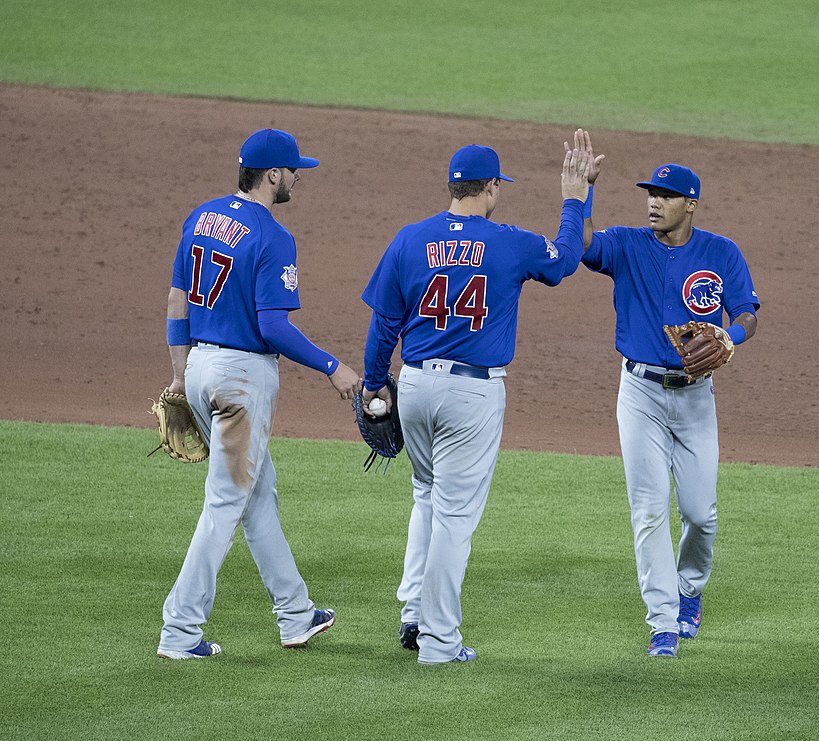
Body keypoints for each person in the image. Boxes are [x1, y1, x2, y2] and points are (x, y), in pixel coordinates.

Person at [360, 139, 593, 664]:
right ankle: (439, 641)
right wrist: (576, 199)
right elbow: (565, 261)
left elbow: (383, 324)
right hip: (471, 393)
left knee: (426, 493)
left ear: (451, 186)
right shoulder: (507, 241)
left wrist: (376, 381)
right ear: (491, 188)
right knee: (455, 516)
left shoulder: (410, 238)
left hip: (414, 384)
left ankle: (413, 612)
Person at [157, 128, 361, 659]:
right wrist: (332, 366)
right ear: (272, 175)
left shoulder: (202, 217)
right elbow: (272, 327)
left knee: (256, 495)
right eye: (294, 170)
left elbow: (178, 300)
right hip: (241, 381)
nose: (298, 178)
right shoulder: (272, 236)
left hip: (200, 366)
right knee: (225, 503)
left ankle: (295, 614)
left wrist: (180, 376)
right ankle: (179, 632)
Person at [578, 131, 760, 657]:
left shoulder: (721, 252)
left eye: (665, 196)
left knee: (702, 514)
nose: (654, 203)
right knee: (650, 508)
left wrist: (732, 336)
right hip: (638, 393)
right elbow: (585, 244)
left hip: (696, 396)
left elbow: (747, 312)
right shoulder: (628, 244)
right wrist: (584, 192)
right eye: (650, 195)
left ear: (691, 204)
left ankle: (688, 590)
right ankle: (662, 620)